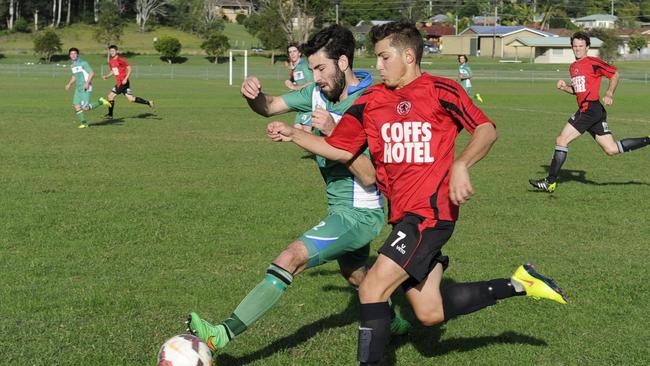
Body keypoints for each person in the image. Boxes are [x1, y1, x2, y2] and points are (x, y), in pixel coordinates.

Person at [266, 21, 568, 366]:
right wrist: (293, 134)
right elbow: (337, 147)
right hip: (403, 218)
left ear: (408, 56)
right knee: (429, 312)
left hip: (430, 214)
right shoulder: (372, 101)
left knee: (371, 288)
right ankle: (520, 283)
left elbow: (485, 129)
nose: (377, 66)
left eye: (383, 57)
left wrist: (461, 164)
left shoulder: (442, 90)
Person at [187, 24, 410, 355]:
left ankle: (219, 336)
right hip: (340, 209)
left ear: (344, 63)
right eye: (312, 69)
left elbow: (370, 176)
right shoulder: (317, 93)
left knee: (290, 258)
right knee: (354, 275)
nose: (315, 76)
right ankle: (393, 321)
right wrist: (254, 96)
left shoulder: (374, 103)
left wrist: (334, 134)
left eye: (320, 68)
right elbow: (270, 105)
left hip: (361, 213)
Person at [529, 32, 650, 192]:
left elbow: (615, 74)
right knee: (611, 149)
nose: (577, 49)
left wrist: (609, 93)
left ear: (587, 47)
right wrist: (565, 87)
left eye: (581, 46)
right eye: (575, 46)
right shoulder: (573, 67)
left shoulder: (593, 62)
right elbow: (578, 90)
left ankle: (550, 181)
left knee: (561, 140)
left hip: (590, 109)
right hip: (593, 110)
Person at [101, 45, 154, 119]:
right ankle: (148, 102)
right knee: (131, 99)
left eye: (113, 51)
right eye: (110, 51)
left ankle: (110, 115)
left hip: (123, 82)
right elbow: (113, 71)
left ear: (116, 51)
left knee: (110, 96)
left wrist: (126, 78)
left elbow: (129, 68)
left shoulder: (121, 60)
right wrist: (106, 76)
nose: (112, 52)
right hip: (120, 82)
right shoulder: (111, 61)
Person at [65, 47, 111, 128]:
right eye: (71, 54)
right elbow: (74, 76)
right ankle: (84, 123)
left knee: (85, 108)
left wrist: (87, 83)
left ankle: (101, 102)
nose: (73, 55)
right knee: (76, 106)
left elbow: (92, 73)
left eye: (75, 53)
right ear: (69, 55)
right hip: (78, 88)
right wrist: (69, 84)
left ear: (77, 55)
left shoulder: (83, 63)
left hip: (86, 87)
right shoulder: (72, 65)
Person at [285, 43, 315, 132]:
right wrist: (292, 88)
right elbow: (300, 83)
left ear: (299, 53)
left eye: (294, 51)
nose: (292, 54)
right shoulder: (295, 67)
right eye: (290, 52)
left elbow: (312, 83)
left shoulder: (304, 65)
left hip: (309, 104)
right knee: (297, 131)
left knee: (306, 134)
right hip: (301, 104)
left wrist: (295, 88)